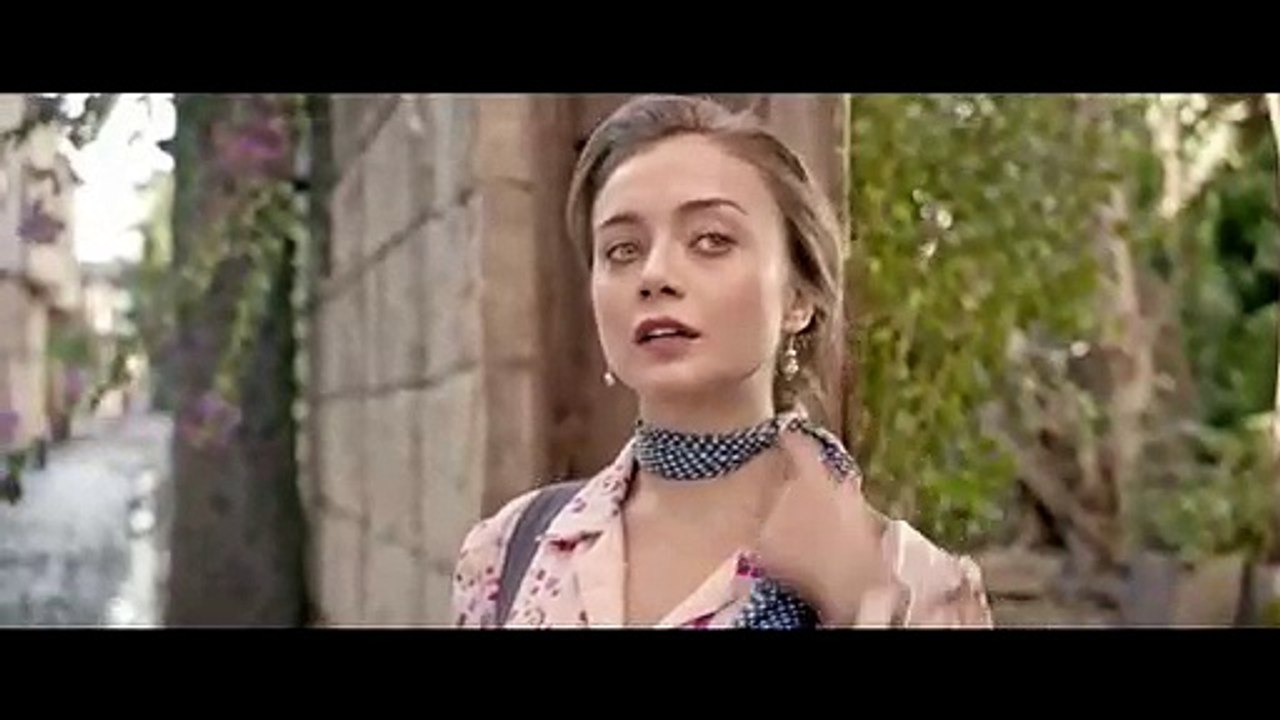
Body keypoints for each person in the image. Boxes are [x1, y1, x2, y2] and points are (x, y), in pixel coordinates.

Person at [451, 95, 993, 628]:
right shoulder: (508, 552)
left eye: (711, 240)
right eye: (622, 250)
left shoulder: (915, 584)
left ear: (798, 298)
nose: (655, 275)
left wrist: (859, 609)